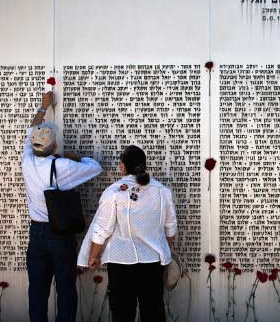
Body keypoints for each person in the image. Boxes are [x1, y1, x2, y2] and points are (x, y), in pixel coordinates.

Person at [23, 91, 103, 322]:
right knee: (66, 289)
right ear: (55, 145)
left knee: (37, 290)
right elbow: (95, 167)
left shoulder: (27, 160)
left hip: (36, 232)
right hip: (59, 234)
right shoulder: (63, 166)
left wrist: (42, 108)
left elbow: (31, 132)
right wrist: (75, 158)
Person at [77, 145, 177, 322]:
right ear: (144, 165)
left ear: (122, 166)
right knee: (153, 312)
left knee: (122, 313)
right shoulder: (162, 191)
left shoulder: (114, 192)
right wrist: (167, 248)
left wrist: (92, 256)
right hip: (153, 262)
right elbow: (170, 228)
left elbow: (102, 229)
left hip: (121, 264)